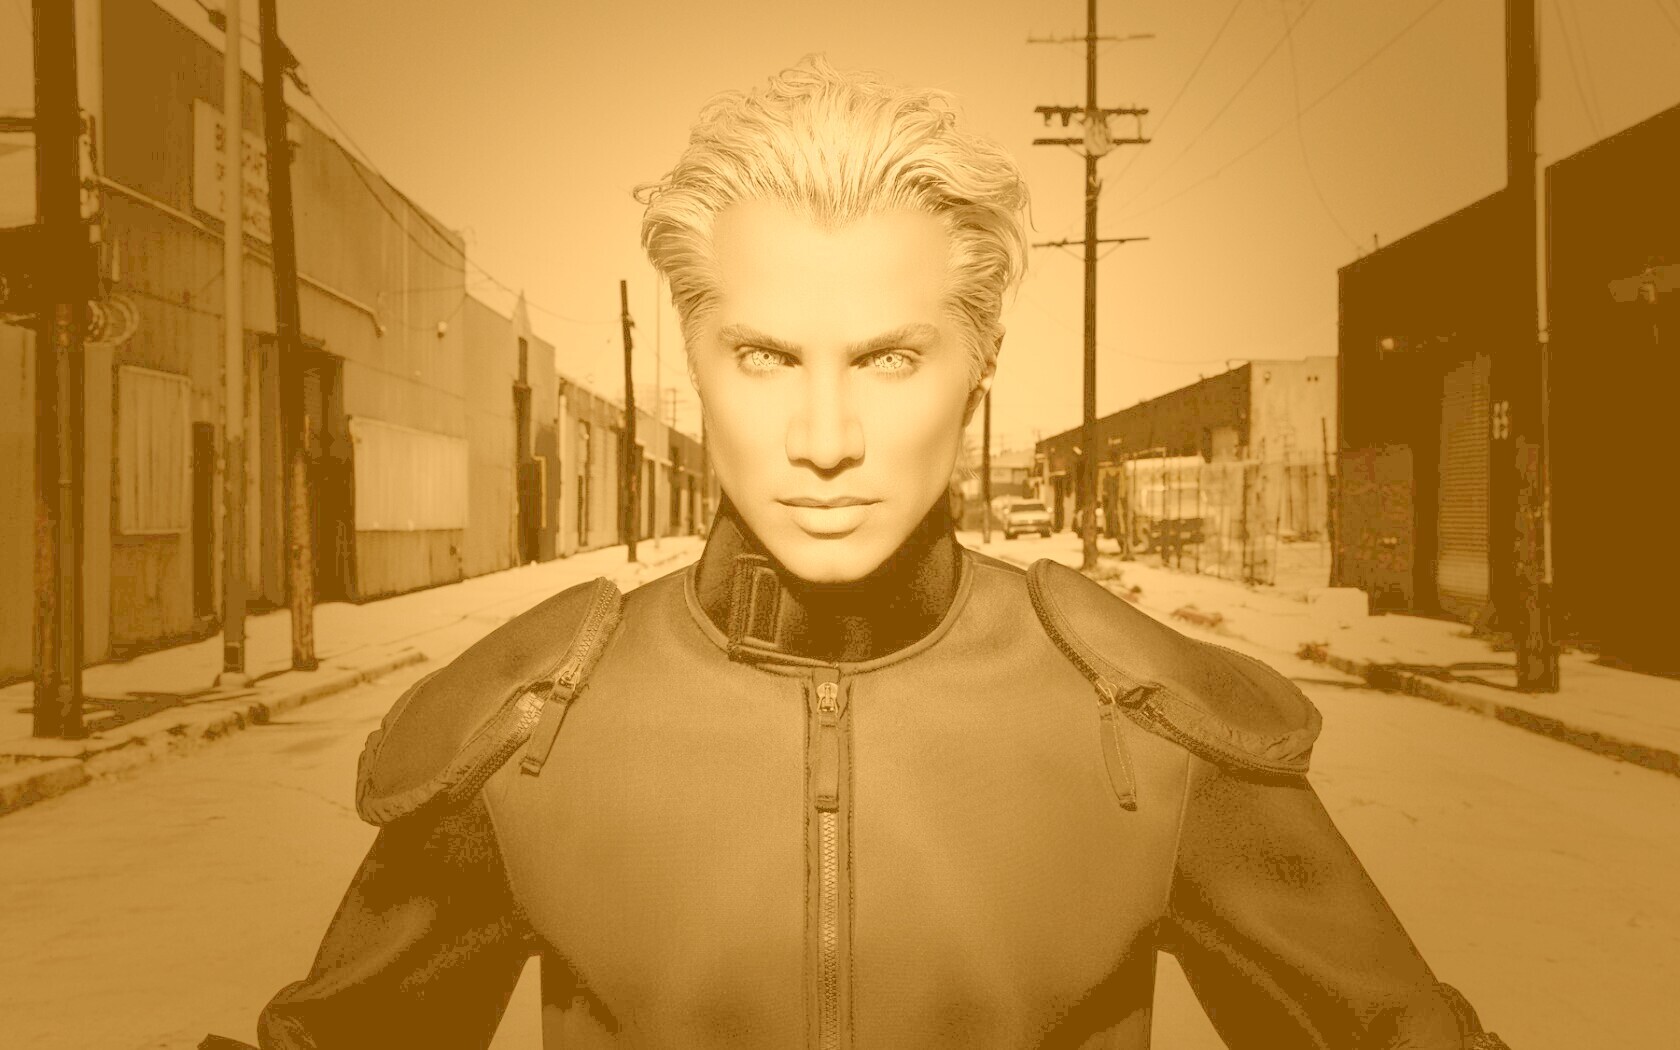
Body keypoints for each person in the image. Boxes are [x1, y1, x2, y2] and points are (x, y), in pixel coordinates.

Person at [233, 57, 1510, 1049]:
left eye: (891, 358)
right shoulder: (529, 728)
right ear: (697, 362)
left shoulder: (1156, 728)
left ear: (979, 370)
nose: (826, 438)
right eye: (764, 355)